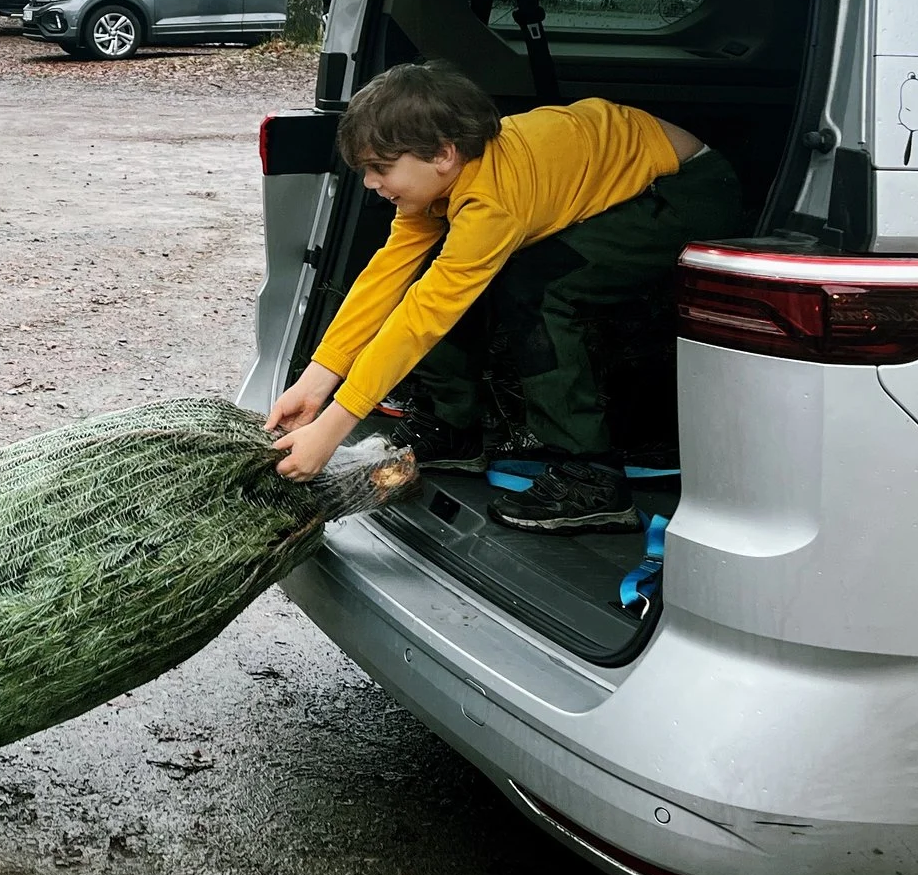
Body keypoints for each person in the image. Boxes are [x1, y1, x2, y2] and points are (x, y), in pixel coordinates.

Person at [266, 61, 740, 533]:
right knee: (444, 277)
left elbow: (425, 315)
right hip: (613, 181)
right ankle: (451, 431)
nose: (369, 182)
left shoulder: (493, 198)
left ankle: (591, 476)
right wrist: (315, 383)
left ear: (442, 155)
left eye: (380, 168)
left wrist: (332, 428)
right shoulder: (440, 183)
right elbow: (385, 279)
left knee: (538, 286)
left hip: (686, 189)